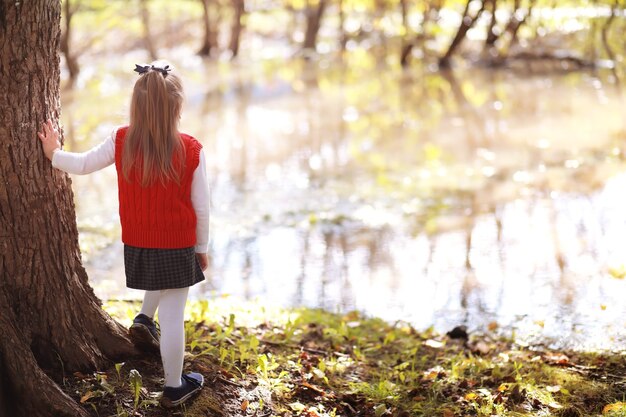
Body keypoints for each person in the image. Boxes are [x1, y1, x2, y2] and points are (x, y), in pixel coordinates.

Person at [37, 61, 208, 409]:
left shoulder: (120, 139)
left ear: (136, 106)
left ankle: (144, 317)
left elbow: (82, 164)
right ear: (177, 107)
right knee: (174, 317)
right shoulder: (191, 149)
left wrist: (53, 153)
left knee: (161, 288)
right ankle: (175, 387)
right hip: (177, 245)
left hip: (139, 244)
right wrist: (202, 248)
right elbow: (202, 208)